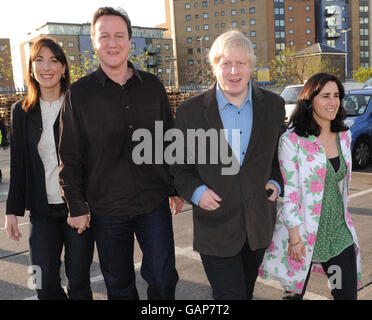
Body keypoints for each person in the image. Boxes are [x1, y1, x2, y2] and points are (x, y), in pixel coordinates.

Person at [58, 7, 183, 300]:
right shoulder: (79, 95)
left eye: (119, 36)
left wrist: (176, 187)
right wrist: (76, 206)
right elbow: (70, 156)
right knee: (119, 285)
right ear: (94, 42)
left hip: (153, 204)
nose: (112, 43)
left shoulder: (152, 86)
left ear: (129, 41)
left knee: (164, 279)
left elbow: (170, 141)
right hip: (107, 210)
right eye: (104, 36)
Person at [171, 30, 285, 300]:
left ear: (250, 66)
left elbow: (280, 157)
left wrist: (276, 181)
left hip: (258, 225)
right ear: (214, 67)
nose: (234, 71)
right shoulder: (190, 111)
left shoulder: (273, 105)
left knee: (244, 292)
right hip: (216, 228)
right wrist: (197, 193)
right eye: (226, 63)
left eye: (241, 63)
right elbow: (178, 167)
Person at [4, 38, 94, 300]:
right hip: (41, 213)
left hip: (77, 209)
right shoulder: (20, 111)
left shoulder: (80, 106)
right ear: (31, 68)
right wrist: (11, 211)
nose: (47, 67)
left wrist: (89, 204)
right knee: (42, 283)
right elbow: (18, 164)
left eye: (54, 60)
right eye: (39, 60)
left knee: (78, 284)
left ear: (64, 67)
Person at [259, 73, 362, 300]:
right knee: (293, 296)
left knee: (345, 294)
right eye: (325, 96)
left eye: (336, 96)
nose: (333, 102)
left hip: (338, 233)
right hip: (303, 234)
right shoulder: (292, 141)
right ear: (310, 100)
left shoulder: (344, 136)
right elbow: (292, 192)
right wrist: (294, 237)